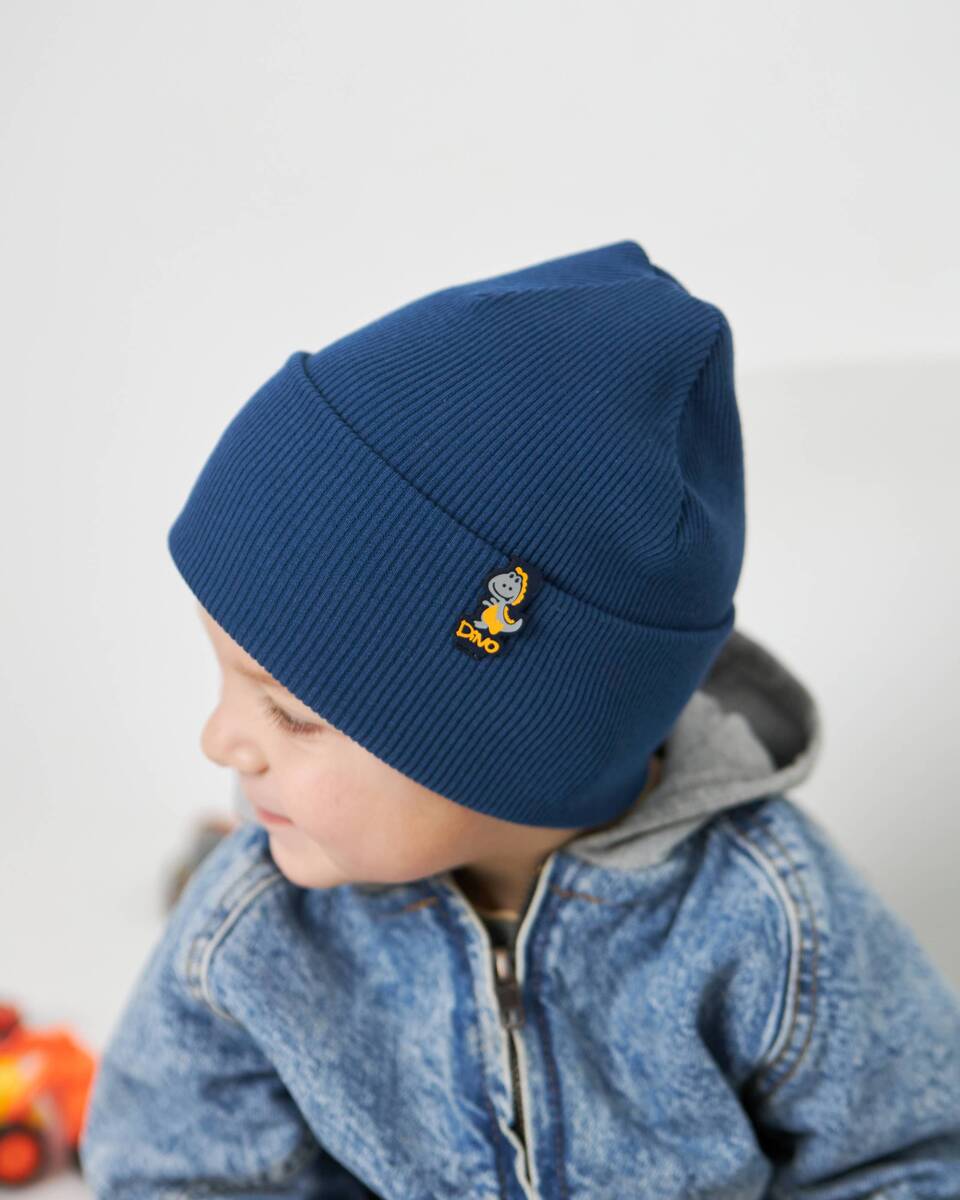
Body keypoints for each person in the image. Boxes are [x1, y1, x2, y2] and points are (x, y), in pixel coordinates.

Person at [78, 241, 960, 1199]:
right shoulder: (259, 928)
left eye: (290, 715)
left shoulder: (768, 916)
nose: (219, 741)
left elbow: (909, 1158)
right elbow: (171, 1172)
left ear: (516, 745)